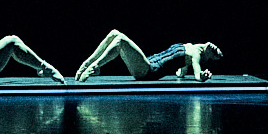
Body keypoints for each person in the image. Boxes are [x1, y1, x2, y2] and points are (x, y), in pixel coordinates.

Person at [73, 30, 223, 83]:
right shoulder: (191, 47)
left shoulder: (196, 55)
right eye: (217, 48)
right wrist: (180, 73)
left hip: (148, 70)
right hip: (147, 62)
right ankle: (87, 63)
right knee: (114, 33)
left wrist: (201, 76)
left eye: (216, 53)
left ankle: (94, 67)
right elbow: (182, 71)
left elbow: (197, 74)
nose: (216, 48)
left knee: (121, 40)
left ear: (209, 57)